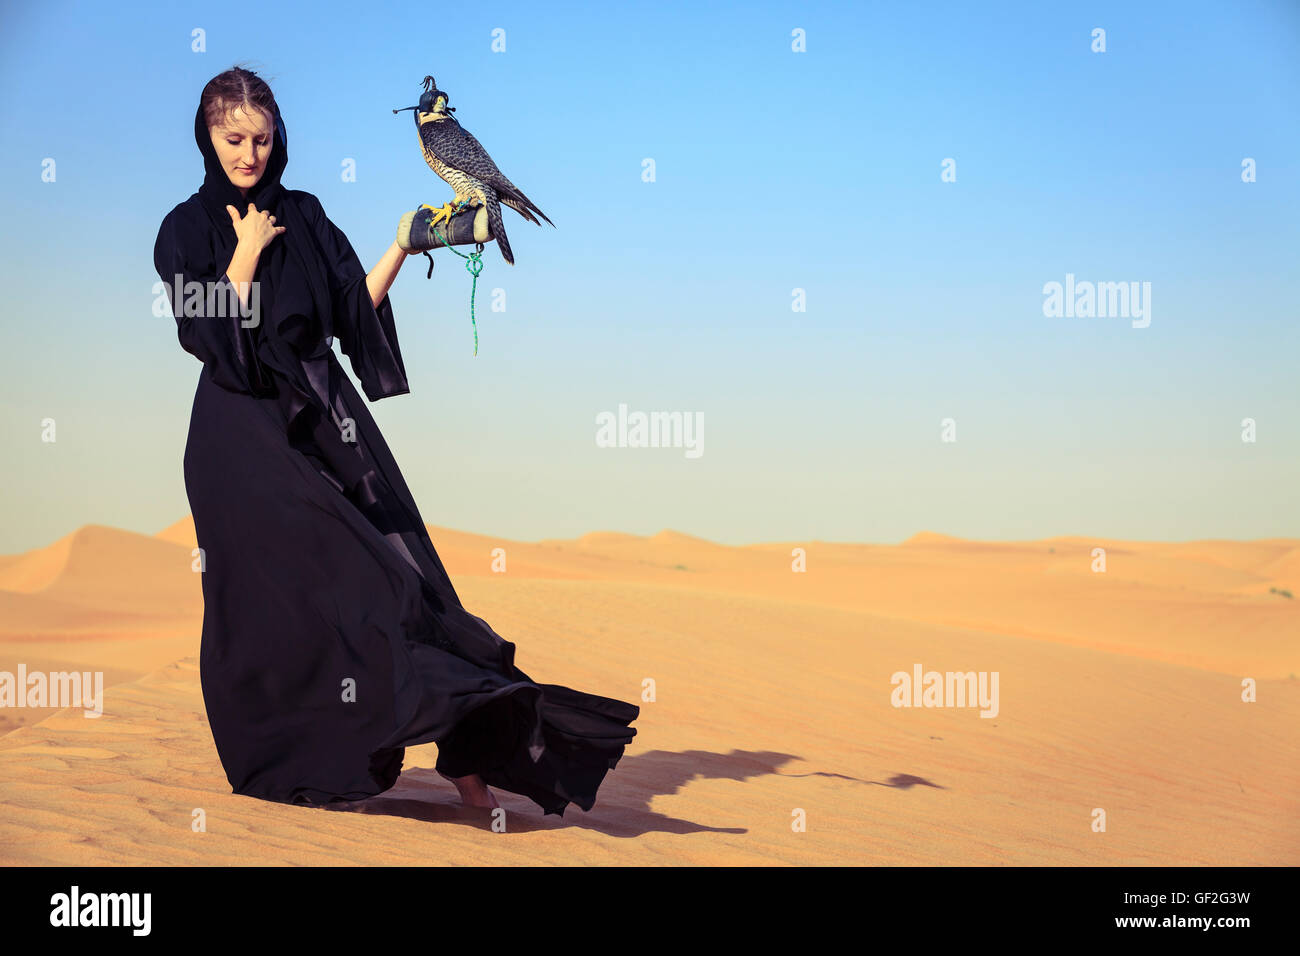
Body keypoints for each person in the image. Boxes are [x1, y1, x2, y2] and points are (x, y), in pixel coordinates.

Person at [153, 66, 639, 816]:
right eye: (233, 139)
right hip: (241, 440)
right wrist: (244, 251)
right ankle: (300, 755)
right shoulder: (186, 228)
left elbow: (351, 315)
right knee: (293, 603)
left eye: (261, 138)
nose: (248, 154)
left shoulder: (305, 215)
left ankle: (467, 751)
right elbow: (208, 334)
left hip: (326, 418)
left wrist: (403, 247)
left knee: (407, 579)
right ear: (207, 136)